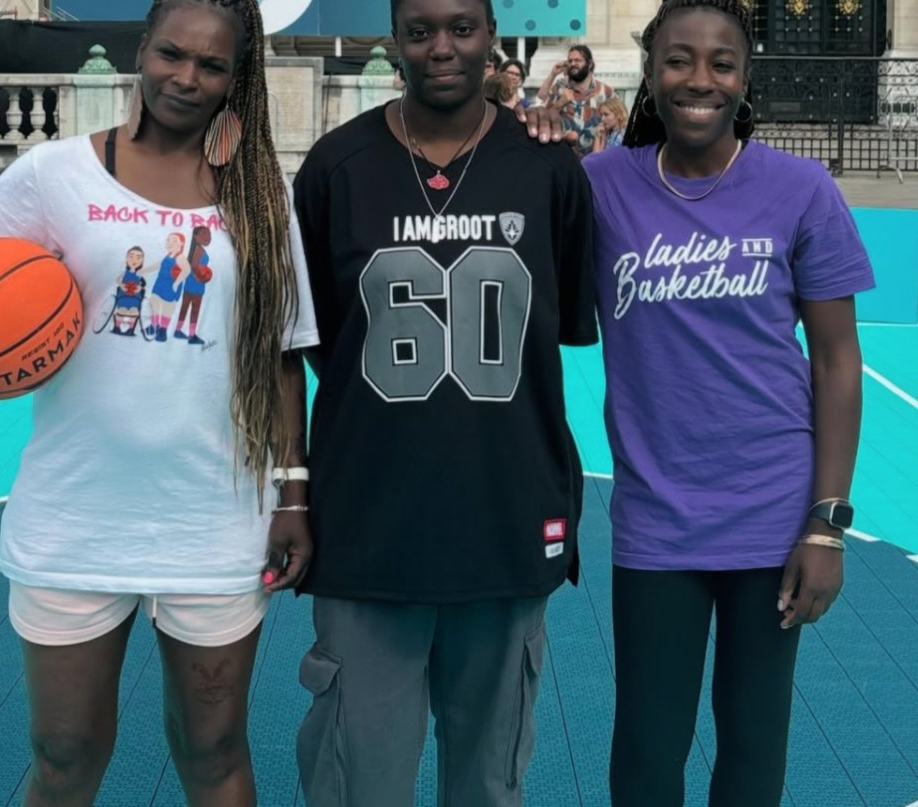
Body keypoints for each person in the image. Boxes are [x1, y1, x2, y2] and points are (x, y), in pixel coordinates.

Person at [0, 1, 318, 805]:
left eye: (211, 65)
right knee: (64, 755)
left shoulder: (262, 196)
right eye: (171, 54)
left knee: (214, 750)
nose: (185, 77)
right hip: (74, 518)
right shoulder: (54, 174)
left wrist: (292, 493)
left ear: (238, 78)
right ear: (141, 49)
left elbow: (283, 358)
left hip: (214, 520)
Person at [291, 0, 597, 805]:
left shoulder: (549, 167)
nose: (442, 47)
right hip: (369, 521)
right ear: (395, 39)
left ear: (491, 35)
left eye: (462, 28)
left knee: (489, 783)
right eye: (420, 30)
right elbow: (316, 339)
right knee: (358, 784)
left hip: (506, 512)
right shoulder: (336, 166)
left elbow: (558, 323)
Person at [580, 1, 874, 805]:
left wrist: (826, 523)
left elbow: (837, 361)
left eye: (721, 62)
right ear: (650, 74)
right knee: (647, 749)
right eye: (678, 60)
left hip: (772, 516)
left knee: (752, 745)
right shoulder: (600, 187)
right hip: (657, 518)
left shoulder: (801, 189)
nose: (699, 79)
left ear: (745, 78)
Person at [536, 44, 614, 156]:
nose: (573, 64)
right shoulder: (560, 88)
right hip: (562, 157)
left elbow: (620, 121)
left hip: (594, 159)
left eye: (578, 60)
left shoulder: (605, 91)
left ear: (590, 64)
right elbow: (543, 109)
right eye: (570, 61)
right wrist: (560, 102)